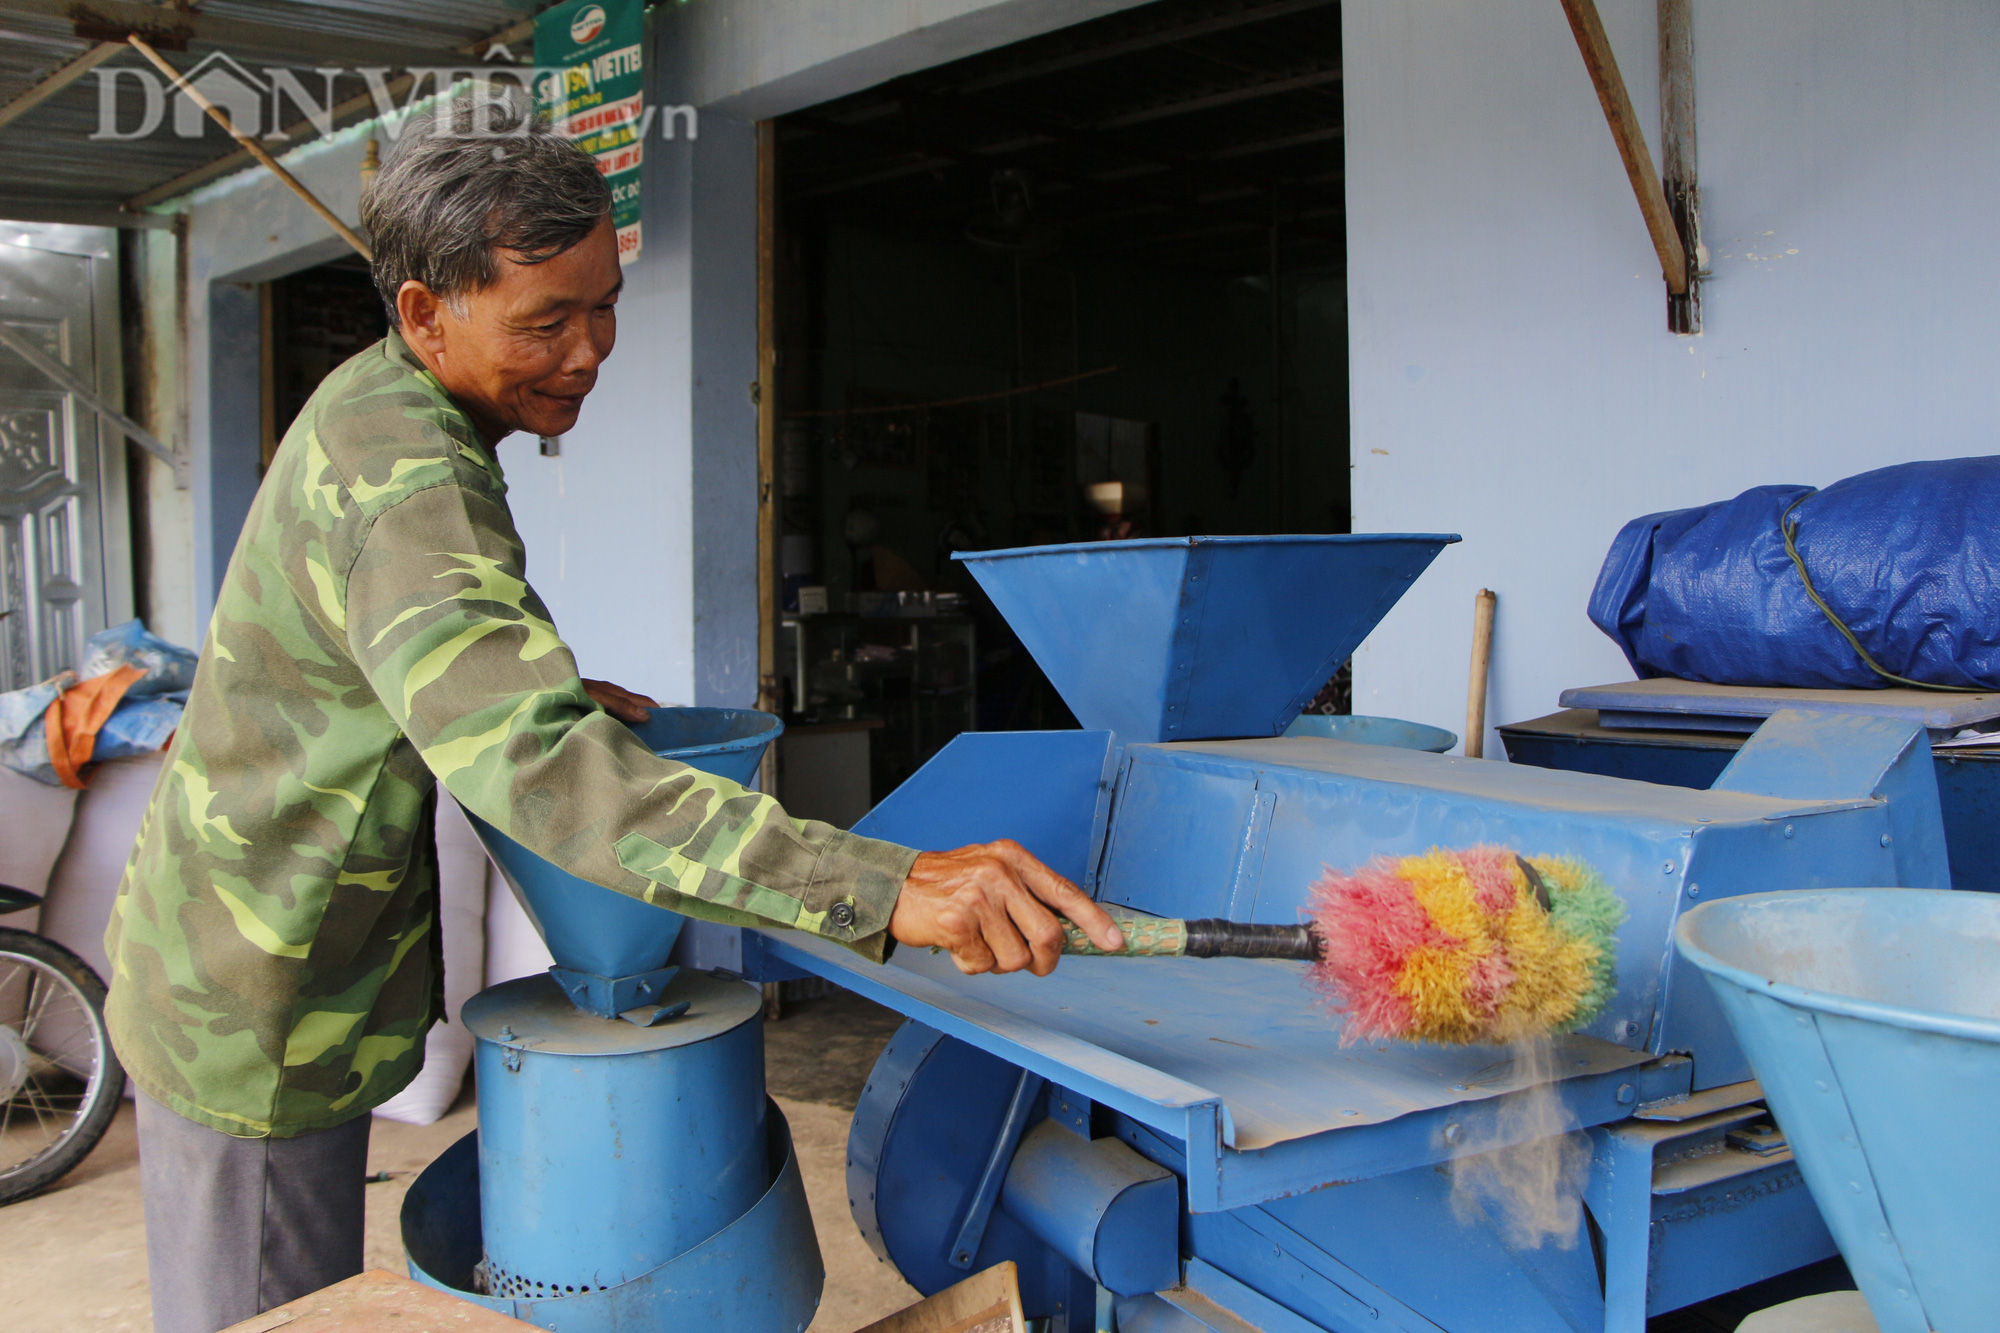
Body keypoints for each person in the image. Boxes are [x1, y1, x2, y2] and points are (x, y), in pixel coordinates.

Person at [104, 98, 1122, 1333]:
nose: (589, 350)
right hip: (249, 991)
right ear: (425, 311)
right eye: (547, 320)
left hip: (281, 963)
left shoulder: (397, 408)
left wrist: (510, 684)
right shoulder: (409, 480)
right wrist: (879, 884)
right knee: (270, 1312)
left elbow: (382, 643)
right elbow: (550, 779)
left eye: (604, 305)